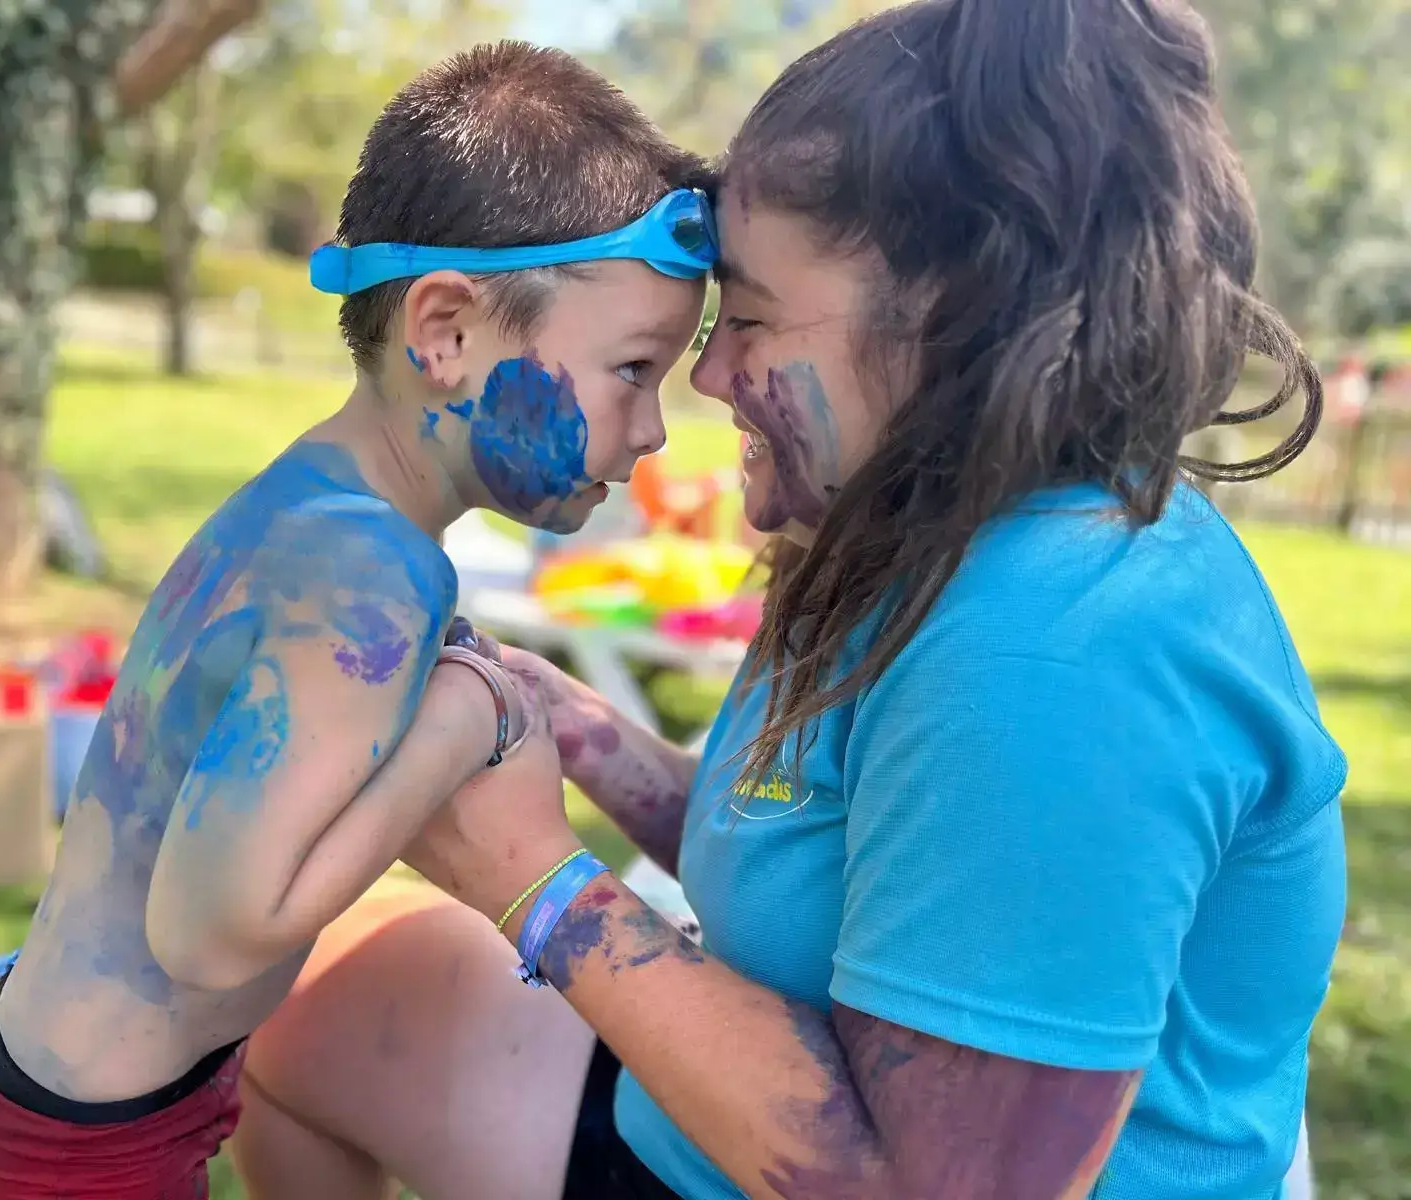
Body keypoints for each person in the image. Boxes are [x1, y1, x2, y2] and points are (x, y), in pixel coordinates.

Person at [228, 3, 1347, 1199]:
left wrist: (535, 881)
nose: (708, 374)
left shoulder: (1059, 652)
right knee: (293, 1013)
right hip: (732, 1127)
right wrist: (575, 729)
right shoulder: (920, 531)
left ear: (954, 326)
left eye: (751, 319)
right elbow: (828, 863)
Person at [0, 40, 715, 1200]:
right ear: (446, 332)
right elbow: (211, 934)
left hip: (77, 1085)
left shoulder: (316, 504)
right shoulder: (369, 573)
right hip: (93, 1143)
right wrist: (462, 726)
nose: (652, 429)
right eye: (633, 369)